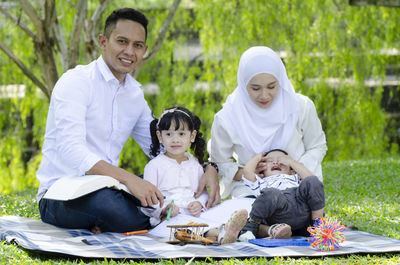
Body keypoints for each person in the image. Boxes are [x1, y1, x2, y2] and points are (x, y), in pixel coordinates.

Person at [36, 8, 219, 234]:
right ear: (103, 41)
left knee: (167, 184)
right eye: (122, 41)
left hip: (112, 187)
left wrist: (207, 168)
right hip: (62, 193)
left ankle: (171, 216)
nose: (129, 51)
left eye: (137, 45)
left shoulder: (134, 94)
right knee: (113, 206)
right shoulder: (76, 81)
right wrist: (131, 180)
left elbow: (163, 146)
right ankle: (172, 223)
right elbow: (71, 150)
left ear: (144, 50)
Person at [209, 46, 327, 199]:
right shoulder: (227, 118)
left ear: (281, 80)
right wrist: (247, 172)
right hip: (250, 188)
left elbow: (317, 146)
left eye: (272, 86)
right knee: (248, 214)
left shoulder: (300, 106)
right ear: (244, 84)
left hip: (297, 183)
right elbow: (220, 162)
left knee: (298, 210)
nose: (264, 95)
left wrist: (295, 168)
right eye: (255, 88)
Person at [142, 106, 248, 244]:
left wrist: (199, 203)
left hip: (193, 214)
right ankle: (221, 234)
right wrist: (164, 210)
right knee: (184, 225)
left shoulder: (195, 165)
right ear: (159, 136)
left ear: (191, 136)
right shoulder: (154, 166)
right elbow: (148, 202)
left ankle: (227, 231)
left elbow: (201, 193)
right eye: (169, 134)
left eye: (181, 134)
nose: (175, 140)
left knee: (220, 211)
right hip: (168, 218)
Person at [239, 149, 325, 240]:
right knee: (271, 193)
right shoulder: (261, 182)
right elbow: (247, 172)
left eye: (282, 160)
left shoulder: (295, 177)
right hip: (278, 211)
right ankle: (251, 227)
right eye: (270, 161)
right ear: (262, 172)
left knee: (312, 180)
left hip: (301, 205)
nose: (276, 162)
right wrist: (257, 158)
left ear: (292, 171)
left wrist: (291, 162)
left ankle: (317, 222)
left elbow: (311, 179)